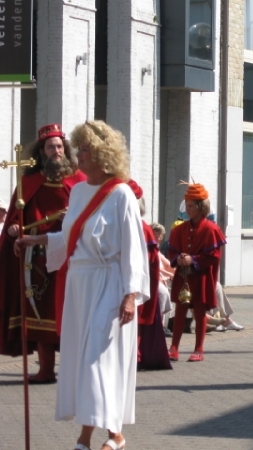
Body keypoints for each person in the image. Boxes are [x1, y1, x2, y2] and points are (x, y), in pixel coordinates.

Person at [16, 120, 150, 450]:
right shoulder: (77, 191)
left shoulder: (121, 194)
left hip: (109, 283)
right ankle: (98, 436)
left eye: (84, 150)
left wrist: (131, 294)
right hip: (80, 284)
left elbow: (135, 249)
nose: (78, 155)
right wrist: (35, 239)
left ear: (103, 154)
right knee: (82, 360)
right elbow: (68, 237)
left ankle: (109, 434)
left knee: (97, 360)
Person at [0, 123, 86, 384]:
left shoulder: (79, 180)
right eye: (51, 147)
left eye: (60, 146)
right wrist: (15, 227)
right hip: (35, 259)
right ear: (42, 151)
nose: (57, 151)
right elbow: (17, 218)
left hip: (69, 256)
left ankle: (75, 370)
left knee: (69, 313)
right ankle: (46, 369)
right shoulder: (28, 182)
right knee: (38, 314)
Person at [167, 183, 226, 362]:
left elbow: (214, 256)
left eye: (191, 205)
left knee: (200, 313)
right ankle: (174, 348)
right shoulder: (179, 229)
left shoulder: (212, 229)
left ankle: (199, 349)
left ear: (201, 207)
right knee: (180, 312)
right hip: (184, 276)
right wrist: (178, 258)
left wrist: (193, 260)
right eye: (186, 204)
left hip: (201, 277)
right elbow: (172, 250)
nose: (187, 209)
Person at [128, 181, 172, 371]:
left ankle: (135, 355)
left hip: (139, 281)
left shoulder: (142, 228)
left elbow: (147, 260)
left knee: (137, 319)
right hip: (133, 279)